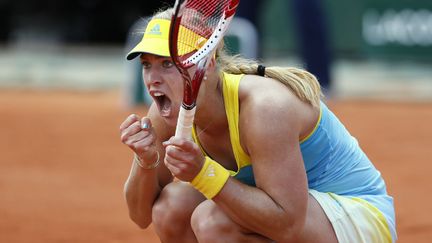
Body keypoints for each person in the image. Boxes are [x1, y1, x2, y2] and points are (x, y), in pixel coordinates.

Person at [120, 7, 396, 243]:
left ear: (207, 63)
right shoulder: (164, 113)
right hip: (298, 215)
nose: (152, 78)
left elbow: (287, 224)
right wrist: (146, 160)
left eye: (168, 63)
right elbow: (141, 216)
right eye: (147, 65)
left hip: (358, 219)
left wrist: (203, 173)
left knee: (213, 221)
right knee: (171, 208)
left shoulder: (265, 108)